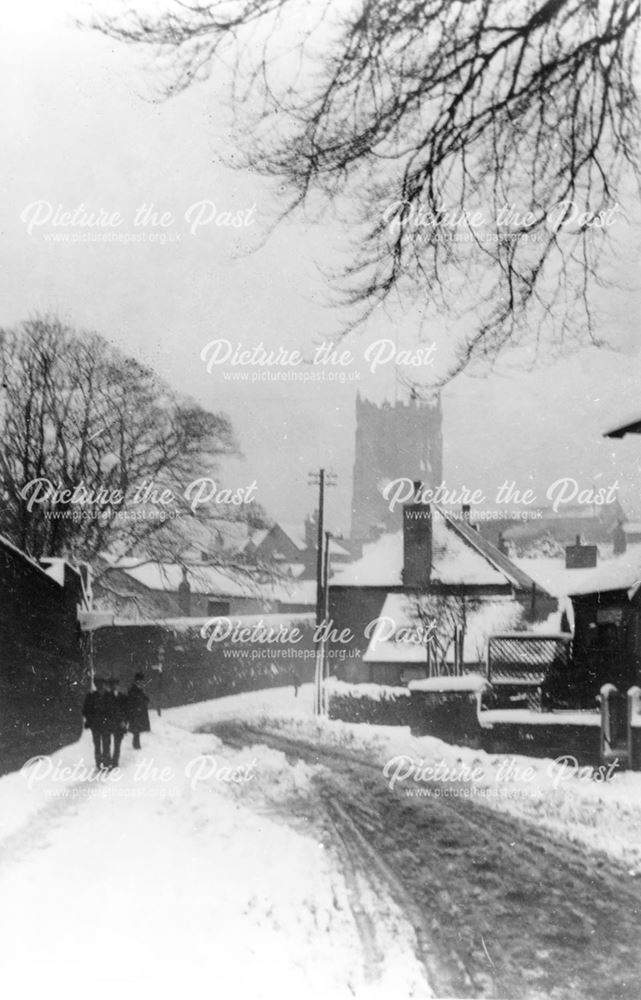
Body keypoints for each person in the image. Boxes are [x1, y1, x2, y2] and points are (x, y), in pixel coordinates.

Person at [82, 676, 111, 769]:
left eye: (102, 685)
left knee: (106, 743)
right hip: (96, 724)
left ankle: (105, 762)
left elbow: (113, 709)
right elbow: (85, 710)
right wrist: (90, 718)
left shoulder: (108, 696)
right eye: (99, 685)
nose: (101, 687)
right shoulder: (91, 696)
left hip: (105, 724)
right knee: (98, 744)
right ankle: (99, 763)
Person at [106, 676, 129, 768]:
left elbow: (127, 710)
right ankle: (108, 761)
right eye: (112, 685)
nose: (114, 687)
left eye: (115, 685)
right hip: (109, 723)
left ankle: (115, 762)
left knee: (117, 744)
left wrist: (124, 721)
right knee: (107, 744)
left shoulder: (123, 697)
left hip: (119, 724)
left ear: (118, 686)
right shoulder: (106, 697)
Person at [127, 672, 150, 750]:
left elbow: (144, 698)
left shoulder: (139, 689)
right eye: (140, 681)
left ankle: (136, 743)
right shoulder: (134, 689)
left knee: (137, 729)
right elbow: (132, 700)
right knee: (136, 728)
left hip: (138, 712)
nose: (141, 683)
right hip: (134, 712)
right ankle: (136, 744)